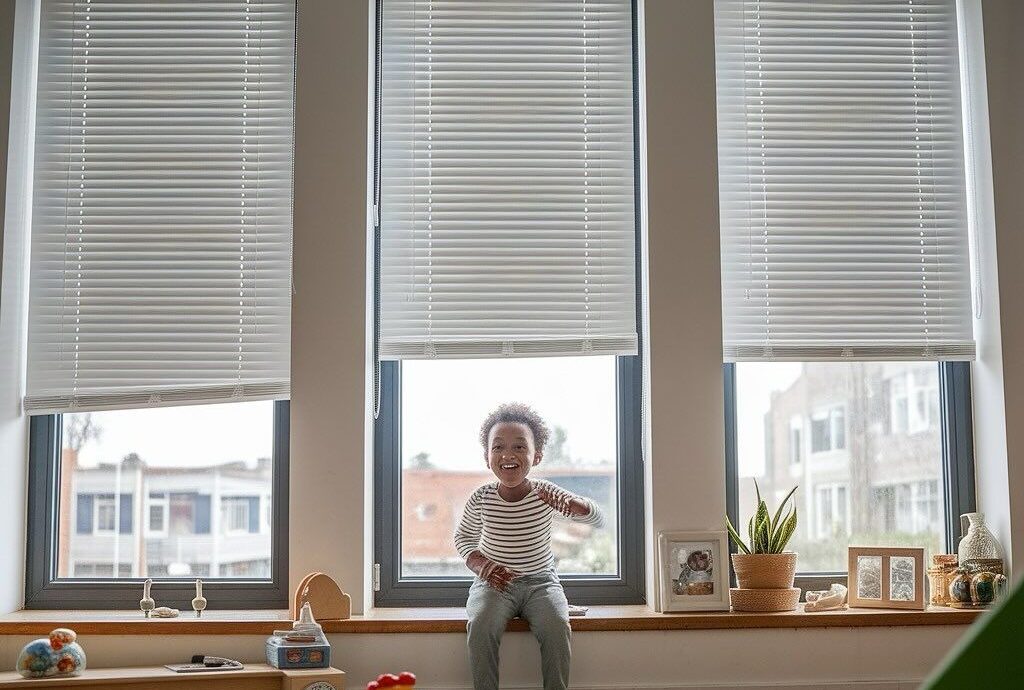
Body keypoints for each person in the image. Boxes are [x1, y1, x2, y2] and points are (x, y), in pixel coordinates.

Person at [454, 402, 604, 690]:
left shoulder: (546, 493)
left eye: (520, 447)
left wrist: (579, 505)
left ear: (537, 456)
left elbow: (597, 517)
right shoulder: (482, 498)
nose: (508, 454)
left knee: (558, 627)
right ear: (487, 458)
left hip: (541, 583)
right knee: (481, 626)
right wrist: (482, 566)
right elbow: (463, 539)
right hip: (493, 585)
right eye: (497, 447)